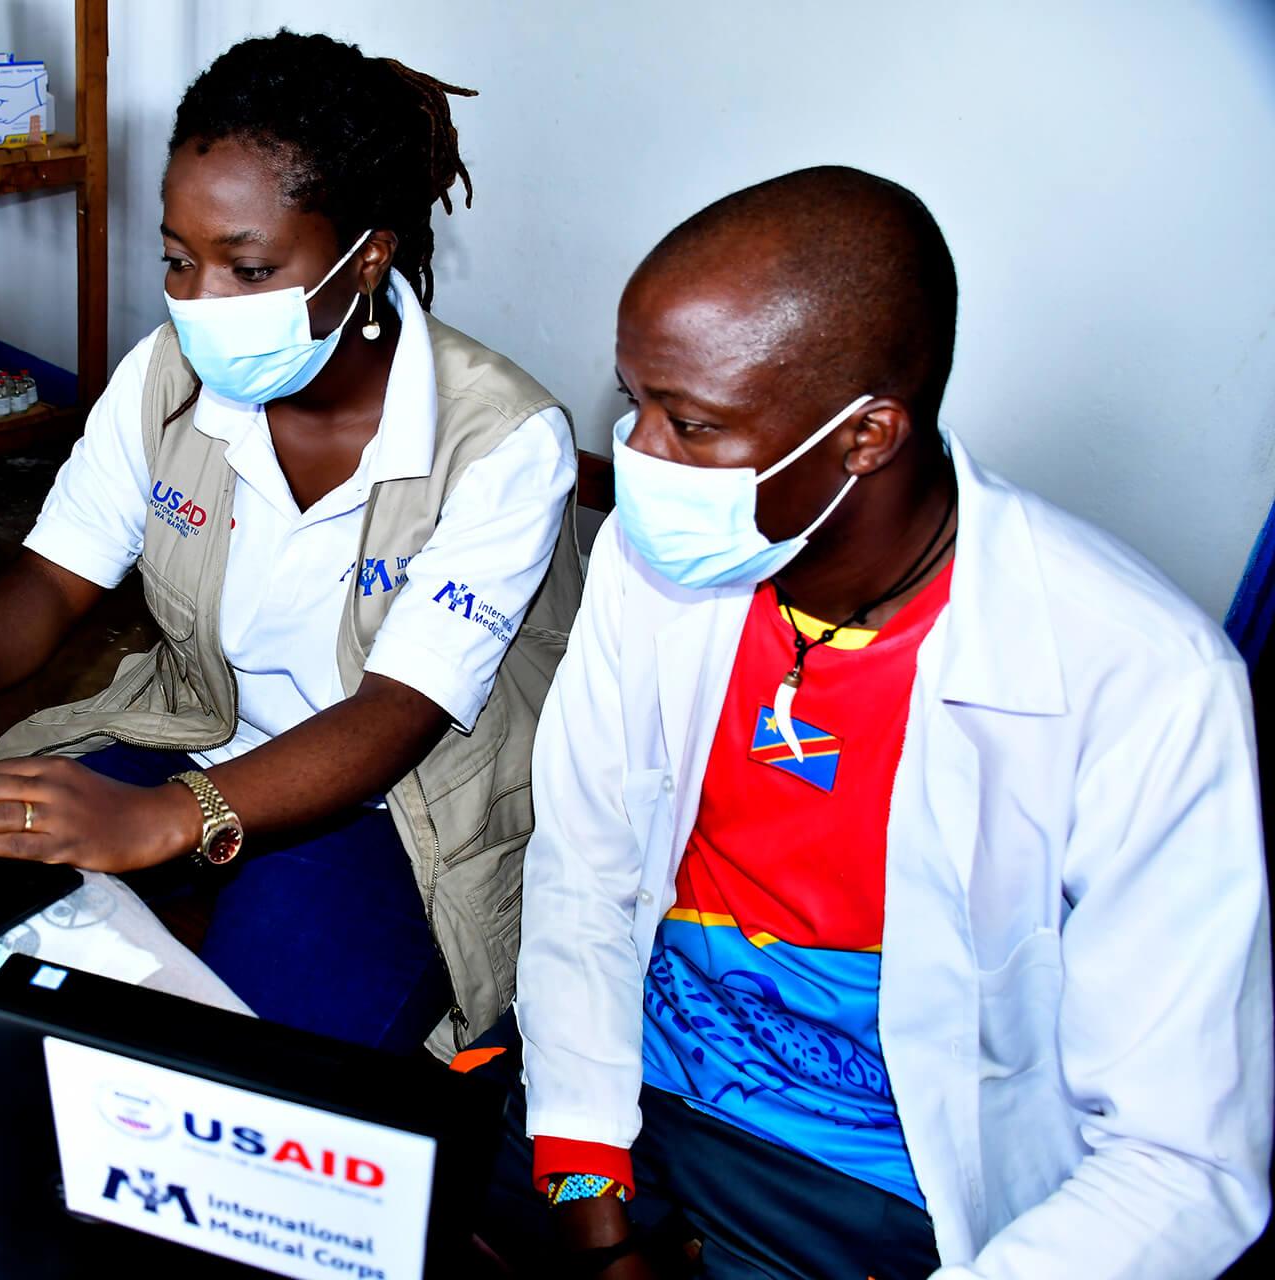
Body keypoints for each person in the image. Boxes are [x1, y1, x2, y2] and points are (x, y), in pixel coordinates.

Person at [487, 166, 1271, 1278]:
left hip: (877, 1192)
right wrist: (590, 1212)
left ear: (868, 436)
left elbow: (1180, 1160)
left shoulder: (1146, 679)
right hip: (618, 1111)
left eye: (693, 422)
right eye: (636, 401)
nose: (639, 454)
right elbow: (585, 880)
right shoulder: (654, 567)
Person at [0, 31, 581, 1058]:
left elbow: (398, 715)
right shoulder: (169, 377)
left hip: (396, 805)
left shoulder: (503, 442)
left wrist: (174, 816)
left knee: (241, 1057)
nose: (200, 301)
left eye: (249, 266)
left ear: (370, 253)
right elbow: (54, 571)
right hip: (194, 729)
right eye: (179, 258)